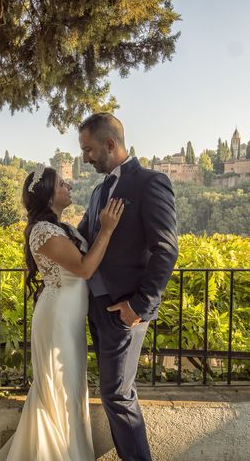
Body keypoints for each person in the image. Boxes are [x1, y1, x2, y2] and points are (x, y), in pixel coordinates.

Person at [0, 165, 124, 461]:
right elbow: (85, 268)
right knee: (58, 390)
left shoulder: (63, 228)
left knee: (70, 388)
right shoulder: (42, 231)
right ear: (49, 196)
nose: (70, 187)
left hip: (70, 319)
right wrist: (107, 229)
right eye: (63, 184)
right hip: (57, 319)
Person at [78, 112, 178, 461]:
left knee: (117, 395)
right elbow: (83, 238)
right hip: (96, 307)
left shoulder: (151, 182)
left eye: (89, 150)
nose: (85, 158)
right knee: (114, 393)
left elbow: (167, 249)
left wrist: (139, 306)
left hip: (126, 309)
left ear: (110, 143)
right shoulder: (97, 192)